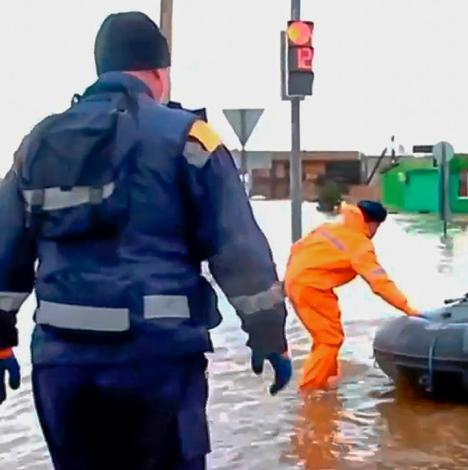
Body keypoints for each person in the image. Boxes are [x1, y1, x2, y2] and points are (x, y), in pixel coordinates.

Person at [0, 12, 291, 469]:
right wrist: (269, 334)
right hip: (157, 364)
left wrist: (1, 340)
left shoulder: (38, 142)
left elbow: (5, 250)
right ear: (159, 72)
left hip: (63, 368)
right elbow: (239, 250)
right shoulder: (190, 139)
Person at [284, 200, 419, 391]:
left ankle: (327, 380)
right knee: (329, 340)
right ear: (373, 224)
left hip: (295, 282)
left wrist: (290, 280)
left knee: (327, 335)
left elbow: (297, 248)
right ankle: (310, 390)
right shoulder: (360, 245)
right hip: (312, 288)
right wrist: (407, 308)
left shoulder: (328, 228)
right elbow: (379, 282)